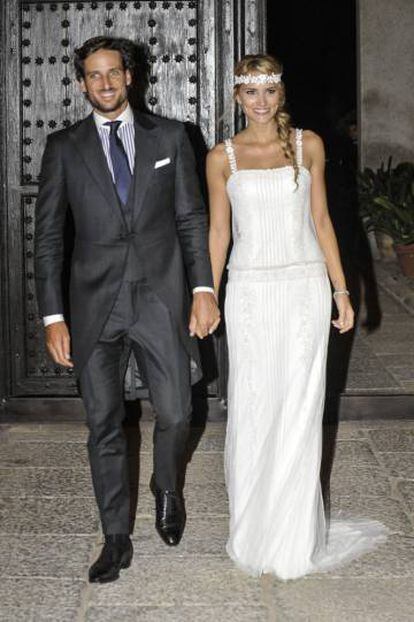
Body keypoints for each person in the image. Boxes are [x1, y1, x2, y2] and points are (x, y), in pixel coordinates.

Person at [35, 36, 220, 584]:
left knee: (178, 411)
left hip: (160, 296)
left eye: (113, 72)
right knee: (104, 424)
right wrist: (52, 317)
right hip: (94, 306)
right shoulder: (64, 146)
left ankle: (166, 485)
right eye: (94, 76)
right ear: (81, 83)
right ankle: (115, 536)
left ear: (130, 76)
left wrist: (203, 289)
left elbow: (191, 219)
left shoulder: (170, 137)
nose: (106, 83)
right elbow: (47, 237)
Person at [207, 54, 387, 580]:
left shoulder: (308, 145)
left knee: (301, 406)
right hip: (249, 291)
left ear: (281, 94)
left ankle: (293, 536)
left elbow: (324, 221)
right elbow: (219, 233)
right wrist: (208, 294)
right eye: (250, 92)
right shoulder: (222, 157)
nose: (260, 102)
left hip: (304, 286)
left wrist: (342, 290)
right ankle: (254, 528)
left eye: (269, 91)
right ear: (237, 97)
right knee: (255, 402)